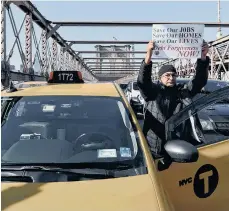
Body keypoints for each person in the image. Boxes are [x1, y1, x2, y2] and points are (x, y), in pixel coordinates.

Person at [137, 40, 209, 158]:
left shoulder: (183, 92)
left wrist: (203, 58)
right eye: (167, 75)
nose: (171, 78)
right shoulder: (153, 93)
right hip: (156, 147)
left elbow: (199, 81)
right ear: (160, 78)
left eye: (173, 75)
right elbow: (142, 82)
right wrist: (148, 57)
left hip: (180, 145)